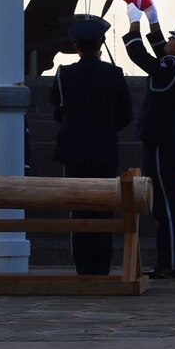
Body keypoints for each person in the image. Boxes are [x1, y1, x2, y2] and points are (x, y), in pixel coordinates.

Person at [124, 10, 175, 278]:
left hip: (163, 142)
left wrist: (134, 24)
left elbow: (142, 57)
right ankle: (168, 263)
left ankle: (169, 265)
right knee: (166, 206)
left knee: (166, 207)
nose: (167, 41)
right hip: (168, 140)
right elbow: (160, 55)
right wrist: (151, 18)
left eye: (171, 39)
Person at [52, 15, 132, 275]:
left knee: (79, 211)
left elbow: (58, 110)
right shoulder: (114, 74)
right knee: (104, 211)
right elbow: (125, 114)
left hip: (74, 151)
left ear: (76, 44)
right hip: (104, 150)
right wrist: (106, 130)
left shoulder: (64, 74)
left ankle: (83, 266)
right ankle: (102, 266)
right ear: (101, 43)